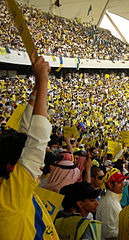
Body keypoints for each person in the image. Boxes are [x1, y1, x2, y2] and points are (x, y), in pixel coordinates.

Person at [0, 51, 59, 239]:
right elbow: (36, 142)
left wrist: (37, 86)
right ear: (12, 167)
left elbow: (28, 135)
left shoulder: (9, 186)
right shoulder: (8, 200)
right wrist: (43, 81)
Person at [96, 167, 126, 240]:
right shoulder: (108, 203)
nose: (123, 185)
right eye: (119, 182)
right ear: (110, 184)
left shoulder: (112, 199)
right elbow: (109, 233)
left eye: (123, 181)